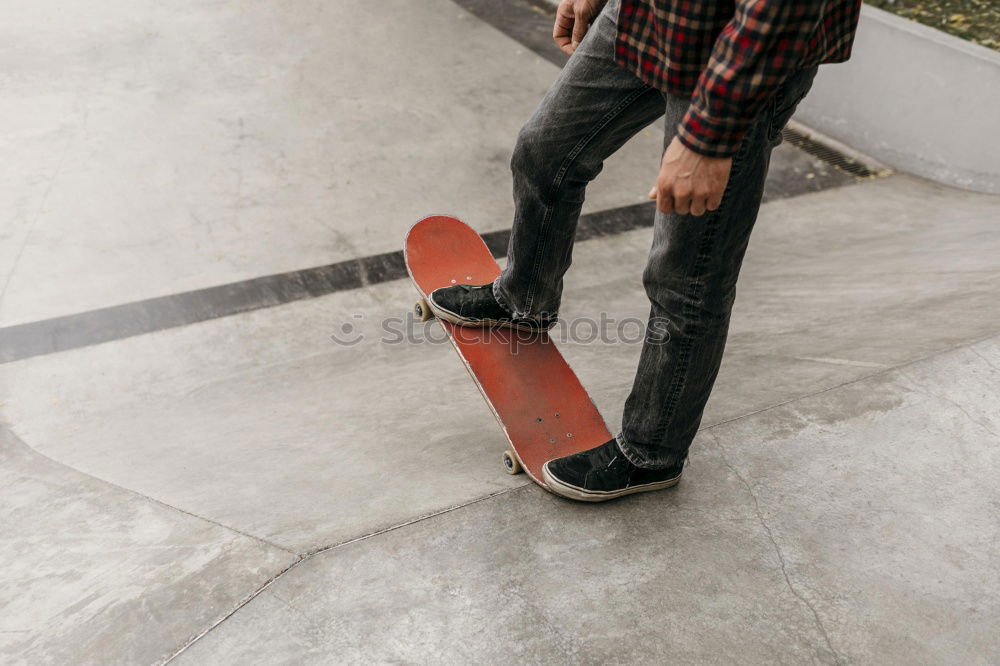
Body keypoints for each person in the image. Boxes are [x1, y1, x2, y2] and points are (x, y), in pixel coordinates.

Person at [428, 0, 862, 501]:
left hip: (739, 56)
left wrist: (708, 138)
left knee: (688, 272)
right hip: (647, 15)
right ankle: (523, 299)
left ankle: (651, 452)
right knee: (545, 152)